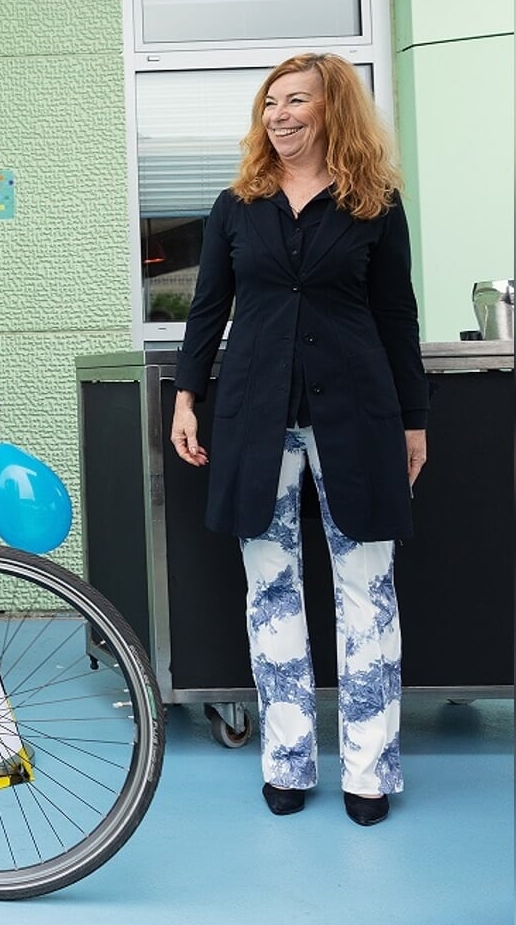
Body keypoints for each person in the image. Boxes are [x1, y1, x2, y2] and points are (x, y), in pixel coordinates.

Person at [169, 53, 428, 828]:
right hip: (254, 415)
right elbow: (207, 308)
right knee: (271, 591)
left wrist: (414, 421)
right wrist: (188, 398)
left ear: (333, 110)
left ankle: (370, 769)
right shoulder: (235, 205)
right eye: (270, 103)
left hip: (359, 414)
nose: (280, 115)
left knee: (366, 595)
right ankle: (286, 760)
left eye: (297, 102)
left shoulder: (375, 205)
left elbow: (397, 318)